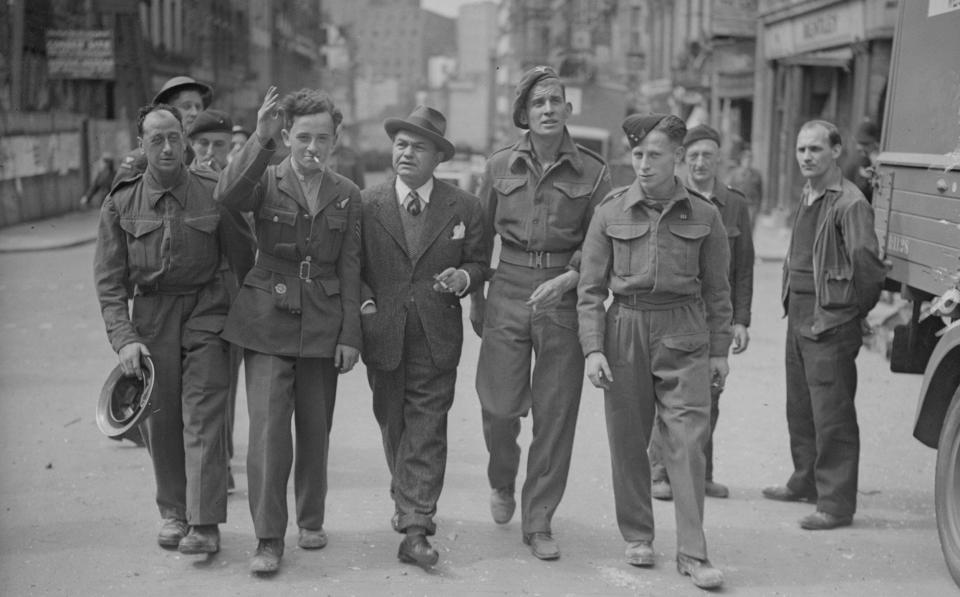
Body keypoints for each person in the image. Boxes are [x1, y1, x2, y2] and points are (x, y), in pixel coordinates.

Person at [578, 113, 732, 589]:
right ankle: (638, 535)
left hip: (684, 330)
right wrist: (593, 349)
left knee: (687, 441)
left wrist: (719, 351)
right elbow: (589, 290)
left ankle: (692, 551)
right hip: (624, 325)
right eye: (638, 154)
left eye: (655, 155)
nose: (643, 164)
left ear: (679, 158)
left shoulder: (705, 215)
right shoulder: (610, 211)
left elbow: (717, 291)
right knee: (628, 439)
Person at [214, 86, 362, 574]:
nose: (312, 148)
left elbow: (351, 266)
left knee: (316, 428)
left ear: (335, 139)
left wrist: (350, 336)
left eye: (322, 138)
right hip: (267, 319)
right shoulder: (266, 178)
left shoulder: (347, 193)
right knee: (270, 431)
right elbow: (228, 195)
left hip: (323, 320)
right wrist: (258, 138)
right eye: (302, 138)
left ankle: (311, 517)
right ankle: (268, 537)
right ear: (287, 135)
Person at [94, 103, 250, 555]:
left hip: (206, 311)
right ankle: (173, 514)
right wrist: (124, 340)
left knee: (202, 414)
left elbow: (243, 257)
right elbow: (109, 283)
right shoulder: (121, 201)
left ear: (185, 141)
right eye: (156, 139)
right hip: (150, 319)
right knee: (160, 421)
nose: (166, 147)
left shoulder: (213, 190)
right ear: (141, 145)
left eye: (174, 138)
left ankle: (204, 524)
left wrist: (235, 319)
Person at [472, 65, 611, 561]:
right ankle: (502, 479)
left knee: (555, 416)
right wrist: (478, 297)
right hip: (507, 287)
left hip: (564, 297)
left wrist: (571, 277)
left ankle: (539, 521)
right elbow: (477, 237)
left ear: (568, 109)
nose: (548, 110)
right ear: (524, 115)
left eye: (556, 101)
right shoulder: (497, 166)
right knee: (499, 406)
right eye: (538, 103)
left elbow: (601, 246)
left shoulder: (594, 172)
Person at [359, 106, 487, 567]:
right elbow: (352, 268)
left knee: (428, 429)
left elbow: (478, 262)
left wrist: (465, 278)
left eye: (418, 147)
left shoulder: (465, 206)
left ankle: (416, 525)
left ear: (438, 158)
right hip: (384, 335)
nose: (407, 153)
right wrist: (367, 304)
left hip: (437, 335)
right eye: (401, 144)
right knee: (393, 422)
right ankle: (406, 493)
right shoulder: (367, 203)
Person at [762, 120, 886, 530]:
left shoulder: (850, 203)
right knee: (800, 407)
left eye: (815, 149)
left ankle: (835, 504)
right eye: (801, 150)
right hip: (798, 313)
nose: (806, 157)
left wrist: (847, 314)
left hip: (829, 319)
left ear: (836, 151)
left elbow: (867, 268)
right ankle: (806, 481)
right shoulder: (809, 193)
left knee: (832, 414)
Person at [650, 124, 754, 502]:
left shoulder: (736, 204)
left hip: (714, 314)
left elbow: (743, 267)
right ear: (682, 159)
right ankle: (661, 472)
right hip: (678, 311)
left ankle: (701, 473)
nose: (699, 162)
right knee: (670, 393)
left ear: (718, 159)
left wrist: (740, 319)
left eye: (707, 155)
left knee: (711, 393)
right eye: (692, 155)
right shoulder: (671, 197)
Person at [187, 108, 255, 494]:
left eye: (218, 145)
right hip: (182, 301)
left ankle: (221, 461)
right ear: (191, 145)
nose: (209, 151)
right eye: (202, 144)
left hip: (224, 295)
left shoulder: (237, 185)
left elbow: (246, 248)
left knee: (220, 388)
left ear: (230, 149)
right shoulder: (180, 181)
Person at [113, 76, 214, 186]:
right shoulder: (140, 161)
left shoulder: (196, 157)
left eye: (198, 107)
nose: (194, 113)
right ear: (167, 111)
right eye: (187, 106)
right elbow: (119, 201)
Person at [724, 145, 763, 226]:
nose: (747, 162)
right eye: (746, 160)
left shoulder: (756, 175)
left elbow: (760, 192)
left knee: (750, 226)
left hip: (751, 205)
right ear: (742, 161)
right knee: (737, 226)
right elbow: (727, 189)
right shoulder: (734, 174)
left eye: (749, 160)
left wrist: (758, 207)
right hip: (737, 205)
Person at [843, 121, 880, 204]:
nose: (859, 147)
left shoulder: (878, 164)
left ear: (876, 144)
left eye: (865, 144)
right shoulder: (853, 163)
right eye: (858, 143)